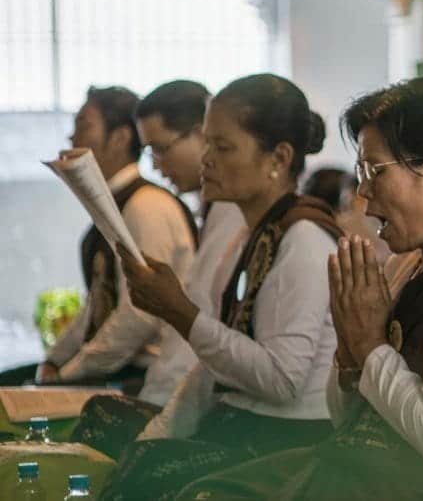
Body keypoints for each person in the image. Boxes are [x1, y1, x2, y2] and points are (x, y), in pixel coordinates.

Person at [176, 76, 423, 500]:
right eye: (360, 173)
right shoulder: (410, 263)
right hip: (384, 474)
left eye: (374, 171)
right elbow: (347, 418)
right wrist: (351, 352)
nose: (364, 196)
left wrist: (370, 344)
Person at [99, 74, 342, 499]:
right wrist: (157, 434)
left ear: (279, 158)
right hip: (245, 421)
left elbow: (282, 381)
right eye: (207, 143)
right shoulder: (254, 232)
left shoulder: (303, 238)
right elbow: (213, 365)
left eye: (223, 147)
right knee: (118, 437)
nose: (206, 159)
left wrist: (180, 313)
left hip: (288, 438)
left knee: (151, 474)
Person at [71, 80, 245, 458]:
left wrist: (156, 410)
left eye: (162, 149)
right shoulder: (215, 211)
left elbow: (180, 326)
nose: (156, 164)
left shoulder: (221, 213)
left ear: (203, 137)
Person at [0, 86, 197, 390]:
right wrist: (54, 359)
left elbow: (138, 317)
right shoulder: (120, 202)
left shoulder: (146, 206)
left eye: (84, 126)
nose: (71, 138)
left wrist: (69, 373)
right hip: (119, 371)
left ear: (119, 137)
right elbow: (99, 300)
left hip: (143, 379)